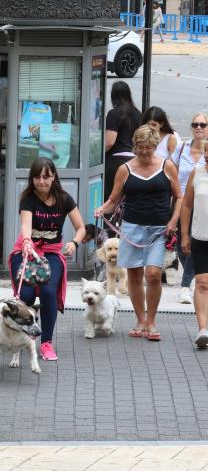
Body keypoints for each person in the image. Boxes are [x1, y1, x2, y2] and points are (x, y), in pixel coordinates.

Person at [95, 125, 181, 342]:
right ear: (134, 146)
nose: (144, 152)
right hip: (132, 227)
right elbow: (114, 199)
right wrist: (102, 209)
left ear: (155, 146)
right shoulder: (125, 169)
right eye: (140, 148)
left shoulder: (167, 166)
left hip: (158, 229)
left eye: (148, 148)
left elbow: (179, 197)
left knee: (152, 274)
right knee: (133, 274)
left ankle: (151, 320)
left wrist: (173, 221)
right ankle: (140, 319)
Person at [10, 158, 85, 361]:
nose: (41, 181)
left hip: (51, 252)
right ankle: (23, 337)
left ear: (53, 176)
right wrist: (26, 241)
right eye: (37, 177)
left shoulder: (64, 199)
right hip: (27, 250)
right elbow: (26, 225)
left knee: (48, 290)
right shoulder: (28, 198)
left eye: (46, 176)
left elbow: (81, 227)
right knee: (25, 295)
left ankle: (46, 343)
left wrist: (74, 243)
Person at [171, 112, 207, 304]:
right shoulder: (181, 147)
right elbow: (171, 171)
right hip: (181, 201)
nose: (199, 128)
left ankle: (185, 286)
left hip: (201, 203)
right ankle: (192, 275)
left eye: (203, 124)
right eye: (195, 124)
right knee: (180, 241)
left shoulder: (207, 150)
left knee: (193, 242)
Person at [180, 141, 208, 349]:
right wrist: (184, 235)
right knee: (202, 283)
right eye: (206, 151)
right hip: (200, 237)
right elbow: (186, 204)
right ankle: (203, 330)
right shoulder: (197, 173)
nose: (206, 155)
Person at [104, 81, 142, 203]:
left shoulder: (113, 113)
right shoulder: (138, 113)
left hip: (116, 162)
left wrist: (98, 156)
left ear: (113, 96)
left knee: (112, 199)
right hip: (134, 161)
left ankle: (109, 222)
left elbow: (110, 141)